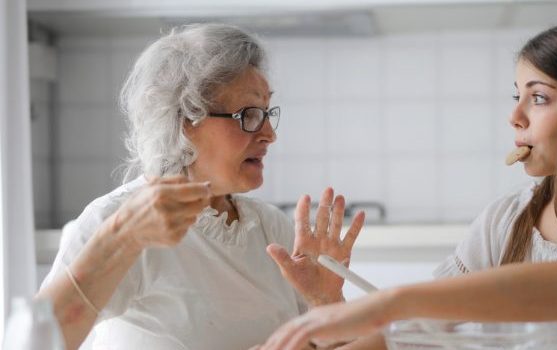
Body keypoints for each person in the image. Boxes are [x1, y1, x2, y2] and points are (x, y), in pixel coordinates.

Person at [260, 18, 557, 350]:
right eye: (516, 95)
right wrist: (326, 308)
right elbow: (421, 332)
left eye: (539, 97)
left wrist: (390, 301)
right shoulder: (508, 218)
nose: (515, 115)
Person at [37, 23, 364, 350]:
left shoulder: (273, 230)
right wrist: (120, 237)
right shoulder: (118, 221)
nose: (269, 133)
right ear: (185, 120)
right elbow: (37, 342)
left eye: (267, 113)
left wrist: (326, 300)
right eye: (249, 114)